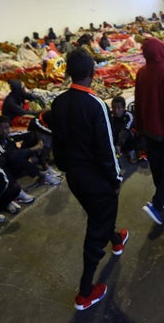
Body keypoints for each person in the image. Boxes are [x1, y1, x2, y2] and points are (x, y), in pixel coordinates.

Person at [51, 48, 128, 310]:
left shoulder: (59, 103)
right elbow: (107, 149)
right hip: (97, 179)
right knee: (95, 232)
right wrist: (115, 179)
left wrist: (66, 167)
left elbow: (57, 144)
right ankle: (85, 292)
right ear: (93, 74)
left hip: (74, 176)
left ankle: (116, 239)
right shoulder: (96, 105)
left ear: (69, 72)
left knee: (98, 216)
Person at [134, 37, 164, 225]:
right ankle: (157, 202)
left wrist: (139, 126)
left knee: (156, 163)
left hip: (148, 129)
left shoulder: (141, 72)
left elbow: (138, 102)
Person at [0, 115, 42, 204]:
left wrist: (40, 143)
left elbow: (33, 132)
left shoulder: (8, 136)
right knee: (10, 157)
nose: (4, 131)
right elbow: (7, 157)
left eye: (7, 127)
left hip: (16, 164)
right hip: (5, 170)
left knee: (32, 137)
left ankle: (44, 167)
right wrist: (33, 149)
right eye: (1, 128)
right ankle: (19, 191)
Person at [110, 96, 139, 162]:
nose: (116, 111)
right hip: (117, 139)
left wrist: (119, 145)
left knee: (128, 133)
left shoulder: (129, 115)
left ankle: (131, 151)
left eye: (119, 108)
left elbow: (125, 130)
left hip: (128, 138)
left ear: (123, 108)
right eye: (114, 108)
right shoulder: (110, 115)